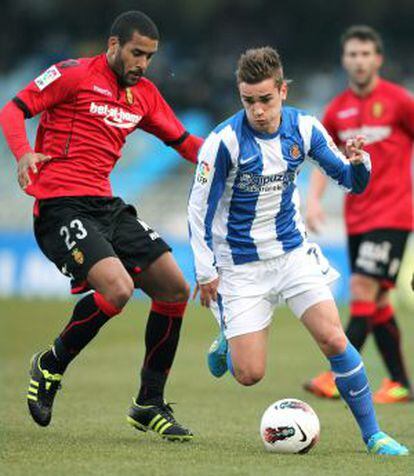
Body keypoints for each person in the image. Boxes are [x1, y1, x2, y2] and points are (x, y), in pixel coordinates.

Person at [188, 46, 408, 455]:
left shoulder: (304, 128)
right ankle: (228, 337)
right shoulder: (222, 143)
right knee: (250, 374)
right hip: (240, 267)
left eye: (266, 99)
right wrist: (206, 273)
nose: (257, 110)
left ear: (283, 91)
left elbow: (349, 181)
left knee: (333, 339)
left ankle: (373, 436)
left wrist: (359, 162)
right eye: (248, 101)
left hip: (292, 253)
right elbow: (197, 211)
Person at [0, 10, 203, 441]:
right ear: (113, 45)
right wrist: (22, 153)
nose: (142, 64)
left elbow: (186, 144)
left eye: (149, 56)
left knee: (173, 287)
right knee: (117, 289)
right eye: (136, 53)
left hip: (105, 205)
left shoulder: (144, 95)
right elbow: (14, 109)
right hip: (60, 206)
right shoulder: (72, 75)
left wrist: (233, 158)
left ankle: (148, 403)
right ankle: (51, 364)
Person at [304, 26, 413, 404]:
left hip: (394, 213)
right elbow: (324, 157)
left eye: (366, 54)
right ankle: (400, 383)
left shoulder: (400, 102)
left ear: (378, 58)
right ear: (344, 60)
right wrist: (313, 199)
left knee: (362, 290)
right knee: (378, 303)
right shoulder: (337, 110)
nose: (359, 61)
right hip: (358, 217)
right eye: (352, 54)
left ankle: (338, 375)